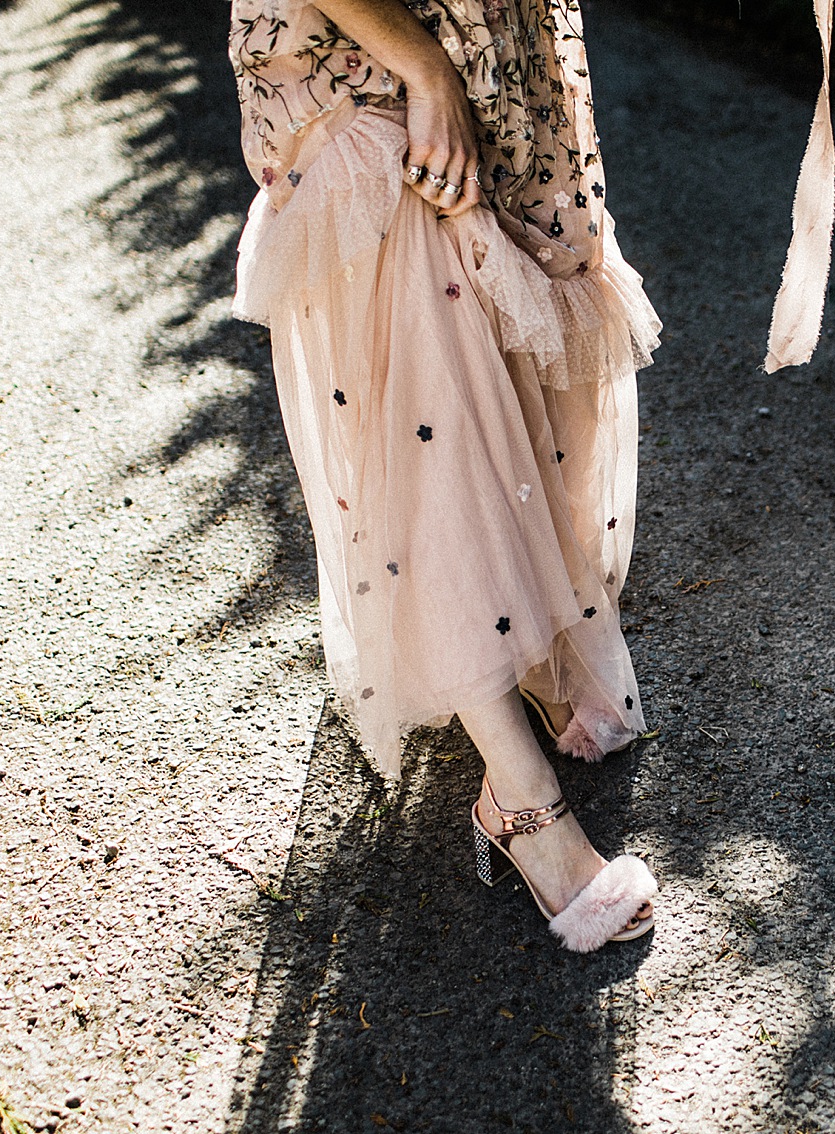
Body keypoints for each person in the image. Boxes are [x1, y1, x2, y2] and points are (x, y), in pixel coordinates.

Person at [227, 0, 661, 951]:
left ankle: (537, 650)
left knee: (519, 367)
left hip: (501, 48)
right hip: (368, 59)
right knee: (434, 423)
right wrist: (423, 68)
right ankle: (522, 803)